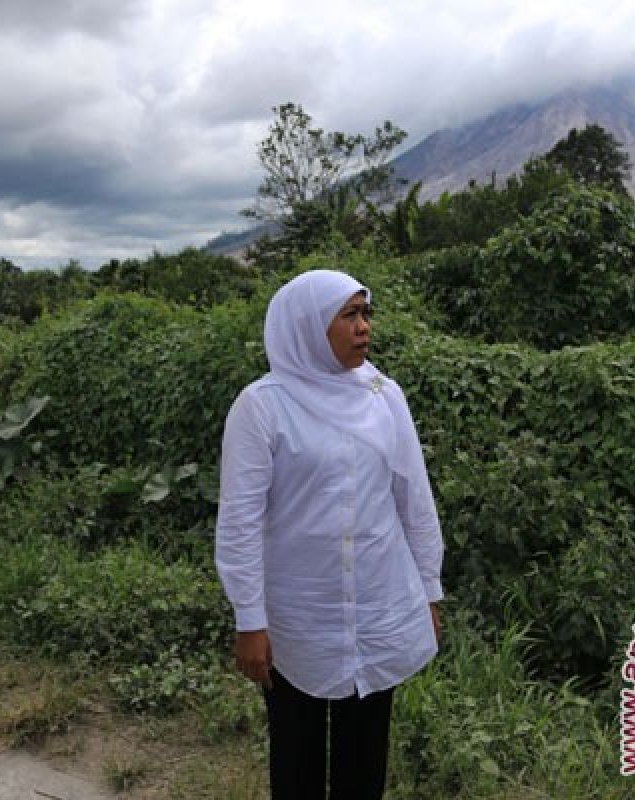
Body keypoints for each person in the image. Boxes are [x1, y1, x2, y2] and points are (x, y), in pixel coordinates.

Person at [215, 269, 445, 799]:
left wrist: (429, 591)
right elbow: (240, 522)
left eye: (366, 314)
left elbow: (414, 500)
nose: (364, 327)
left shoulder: (384, 396)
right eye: (349, 316)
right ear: (306, 326)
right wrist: (250, 619)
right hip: (297, 617)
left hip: (376, 608)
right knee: (295, 760)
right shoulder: (263, 406)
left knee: (363, 766)